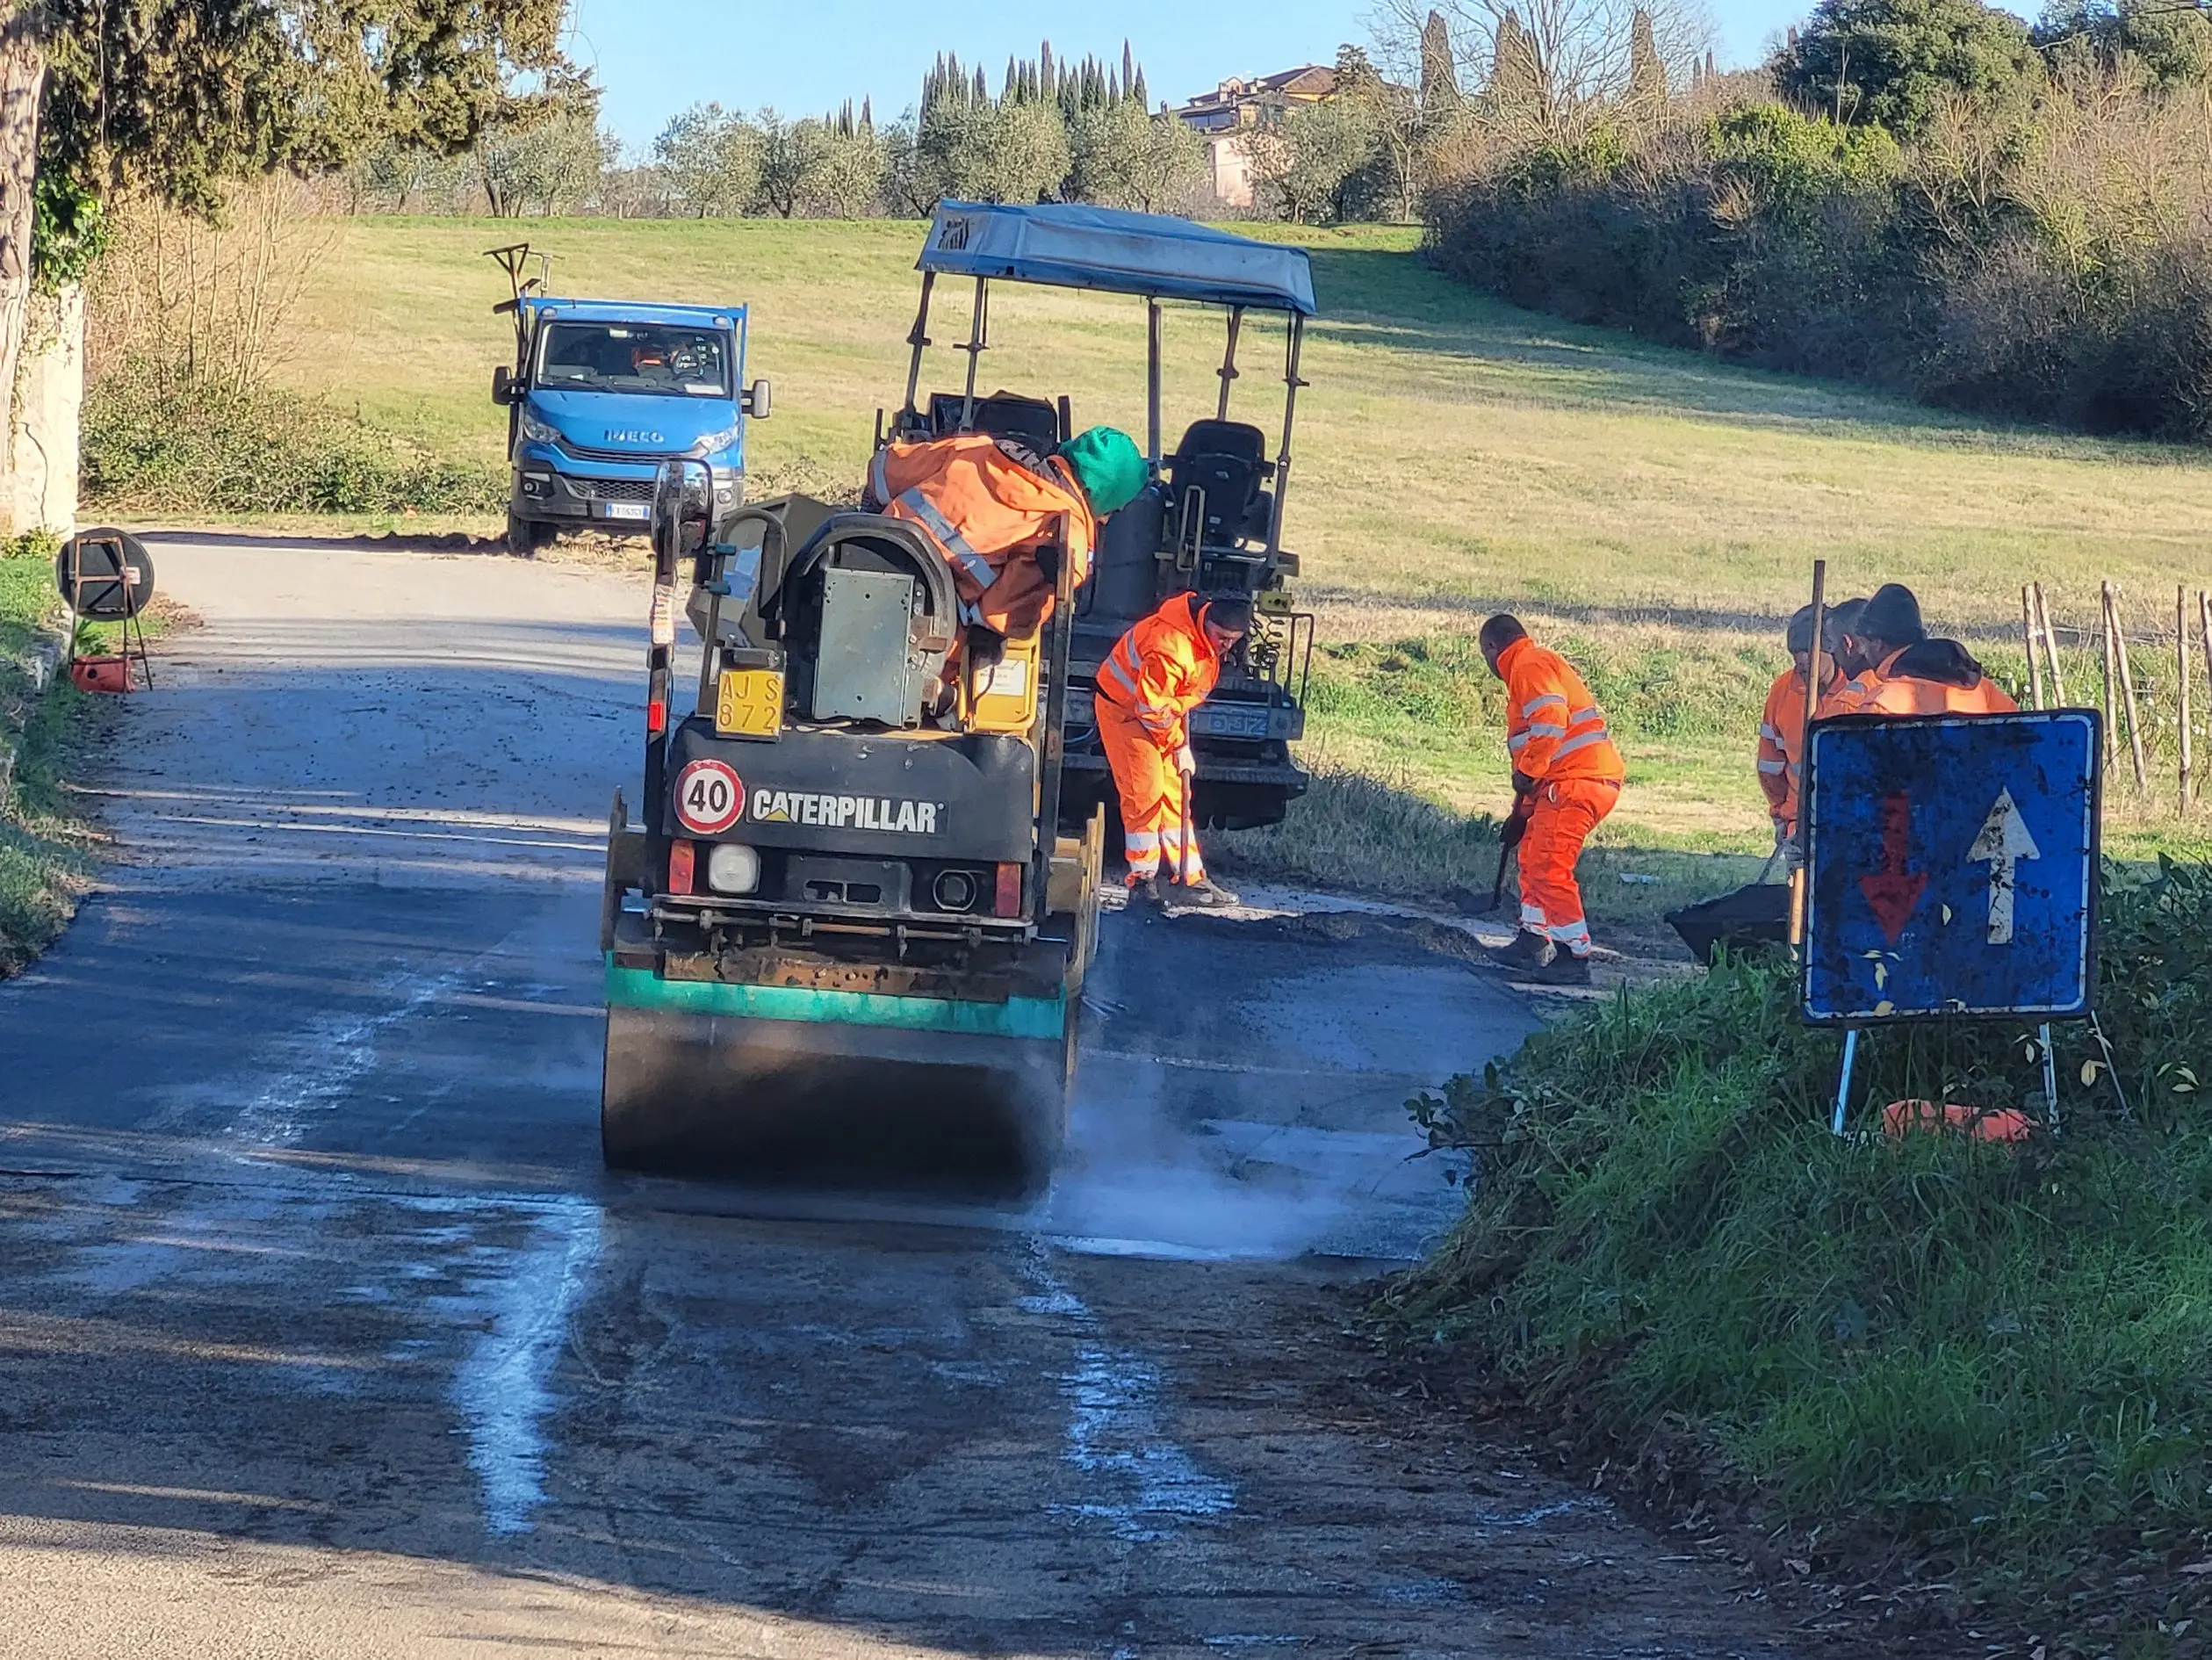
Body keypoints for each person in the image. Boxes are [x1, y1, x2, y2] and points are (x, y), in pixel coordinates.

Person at [865, 424, 1148, 640]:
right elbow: (995, 619)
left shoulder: (976, 449)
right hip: (918, 628)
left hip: (864, 557)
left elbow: (883, 472)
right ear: (1107, 497)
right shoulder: (1061, 530)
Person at [1480, 614, 1625, 985]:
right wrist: (1523, 814)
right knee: (1532, 855)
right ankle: (1532, 937)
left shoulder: (1528, 665)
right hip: (1567, 782)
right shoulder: (1528, 669)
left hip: (1578, 782)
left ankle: (1573, 956)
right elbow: (1539, 755)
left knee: (1549, 867)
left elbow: (1550, 723)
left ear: (1492, 648)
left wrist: (1527, 773)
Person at [1096, 591, 1250, 908]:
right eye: (1222, 638)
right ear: (1207, 621)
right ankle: (1142, 880)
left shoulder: (1201, 639)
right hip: (1123, 711)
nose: (1226, 647)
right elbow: (1150, 707)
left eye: (1233, 641)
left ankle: (1190, 879)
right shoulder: (1170, 647)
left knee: (1176, 793)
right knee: (1145, 792)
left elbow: (1171, 703)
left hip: (1160, 714)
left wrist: (1178, 739)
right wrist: (1177, 744)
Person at [1828, 582, 2018, 717]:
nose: (1863, 653)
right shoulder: (1986, 692)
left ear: (1878, 644)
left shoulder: (1880, 706)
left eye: (1865, 644)